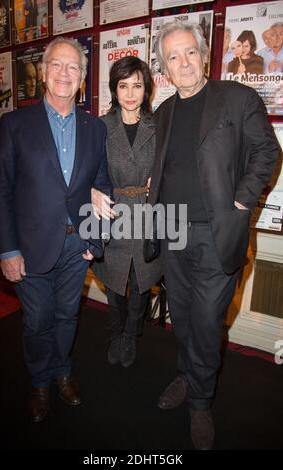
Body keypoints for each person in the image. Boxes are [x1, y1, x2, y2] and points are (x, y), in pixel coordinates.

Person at [145, 21, 279, 450]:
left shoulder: (237, 98)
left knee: (205, 321)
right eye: (172, 57)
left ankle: (200, 401)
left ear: (203, 54)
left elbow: (267, 151)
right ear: (163, 69)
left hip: (215, 235)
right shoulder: (164, 112)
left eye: (189, 53)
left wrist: (242, 201)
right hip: (173, 234)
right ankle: (188, 376)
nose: (182, 63)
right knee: (182, 319)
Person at [0, 37, 112, 423]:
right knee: (38, 319)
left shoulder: (95, 128)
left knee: (67, 316)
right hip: (29, 246)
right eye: (56, 65)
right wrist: (7, 250)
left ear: (82, 78)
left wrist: (94, 238)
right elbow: (2, 191)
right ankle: (40, 380)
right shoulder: (15, 123)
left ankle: (61, 372)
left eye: (73, 67)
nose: (64, 73)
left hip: (76, 247)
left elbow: (102, 186)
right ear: (43, 72)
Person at [92, 56, 162, 368]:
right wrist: (91, 191)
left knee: (142, 279)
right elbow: (85, 170)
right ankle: (116, 332)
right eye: (124, 85)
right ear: (114, 89)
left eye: (137, 85)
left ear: (147, 89)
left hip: (147, 212)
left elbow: (174, 166)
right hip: (111, 211)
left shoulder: (159, 125)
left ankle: (132, 334)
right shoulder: (100, 127)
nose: (131, 93)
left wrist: (159, 181)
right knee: (113, 279)